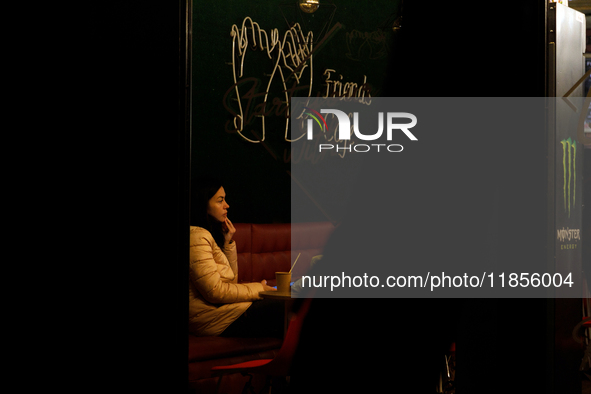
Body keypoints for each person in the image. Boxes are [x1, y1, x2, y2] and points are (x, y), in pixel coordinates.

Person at [189, 177, 283, 338]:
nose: (227, 205)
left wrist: (227, 244)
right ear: (203, 203)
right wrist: (259, 289)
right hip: (212, 319)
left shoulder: (205, 235)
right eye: (220, 200)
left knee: (293, 306)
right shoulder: (196, 236)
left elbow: (229, 283)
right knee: (291, 307)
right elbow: (215, 292)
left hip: (224, 313)